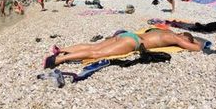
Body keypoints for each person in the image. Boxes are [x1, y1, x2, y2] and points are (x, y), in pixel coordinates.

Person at [42, 30, 204, 69]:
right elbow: (197, 48)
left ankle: (61, 49)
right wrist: (195, 41)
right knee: (96, 53)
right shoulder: (175, 37)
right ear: (184, 37)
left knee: (94, 46)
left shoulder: (165, 31)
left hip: (127, 34)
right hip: (132, 41)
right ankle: (58, 59)